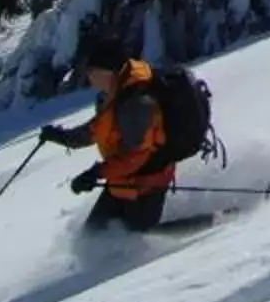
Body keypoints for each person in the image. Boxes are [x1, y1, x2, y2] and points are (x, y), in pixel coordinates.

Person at [39, 33, 174, 231]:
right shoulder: (113, 95)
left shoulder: (136, 103)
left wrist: (96, 173)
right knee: (91, 236)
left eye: (92, 72)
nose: (89, 78)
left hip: (146, 186)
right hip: (121, 183)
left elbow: (137, 156)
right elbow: (96, 130)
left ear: (107, 71)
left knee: (135, 241)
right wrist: (61, 137)